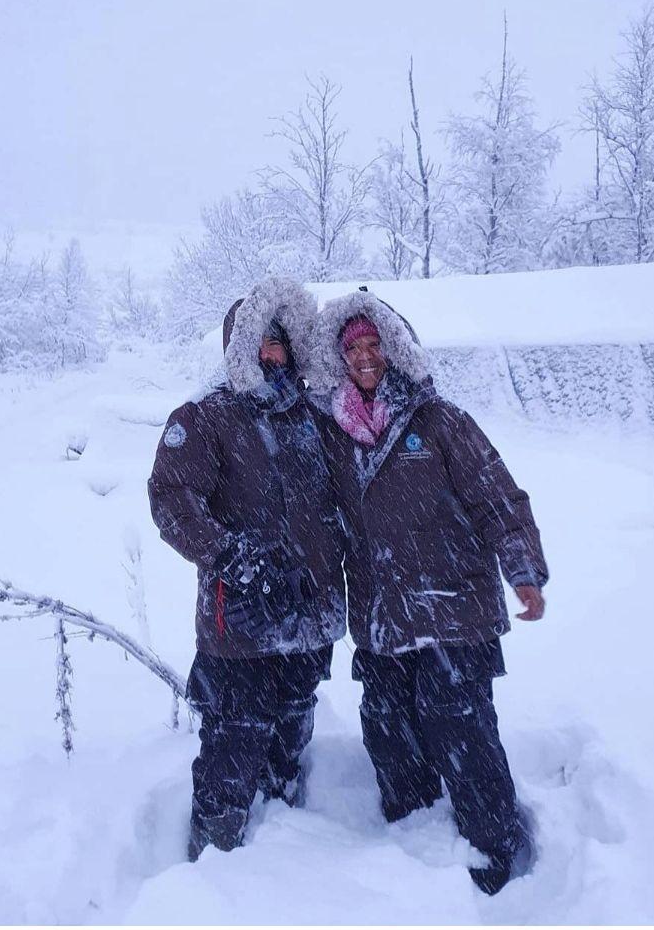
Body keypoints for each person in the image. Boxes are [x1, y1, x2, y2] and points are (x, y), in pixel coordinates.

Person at [309, 289, 550, 896]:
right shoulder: (333, 432)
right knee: (389, 730)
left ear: (392, 351)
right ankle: (414, 843)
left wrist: (522, 569)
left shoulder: (439, 420)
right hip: (381, 616)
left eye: (374, 345)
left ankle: (496, 851)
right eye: (353, 348)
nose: (365, 356)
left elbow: (496, 494)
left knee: (461, 730)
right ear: (341, 359)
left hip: (452, 608)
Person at [148, 277, 346, 861]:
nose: (269, 352)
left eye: (278, 341)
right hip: (238, 625)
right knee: (233, 746)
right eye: (256, 341)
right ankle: (215, 861)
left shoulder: (313, 414)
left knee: (291, 734)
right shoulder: (206, 416)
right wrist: (233, 556)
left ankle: (285, 856)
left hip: (306, 618)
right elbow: (171, 498)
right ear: (236, 347)